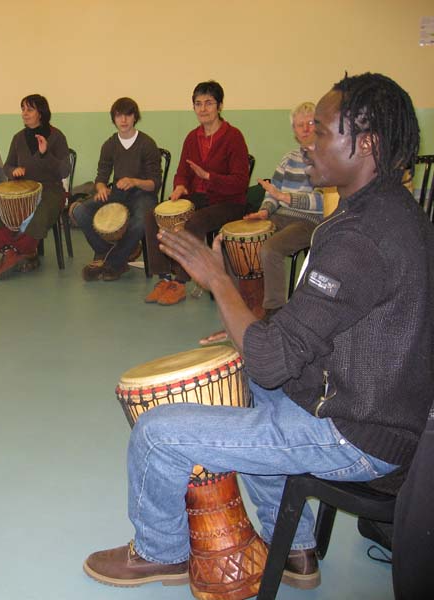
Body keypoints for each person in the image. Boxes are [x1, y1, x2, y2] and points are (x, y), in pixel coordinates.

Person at [84, 73, 433, 592]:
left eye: (320, 132)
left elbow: (271, 359)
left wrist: (218, 280)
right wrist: (252, 331)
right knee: (260, 381)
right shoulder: (389, 211)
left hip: (357, 435)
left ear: (366, 144)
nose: (308, 144)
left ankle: (161, 549)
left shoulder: (362, 236)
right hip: (374, 406)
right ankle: (294, 551)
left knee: (157, 432)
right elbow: (328, 319)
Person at [200, 102, 323, 344]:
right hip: (280, 215)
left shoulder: (326, 158)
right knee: (233, 244)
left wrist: (285, 197)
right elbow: (271, 192)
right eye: (300, 125)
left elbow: (322, 202)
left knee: (271, 248)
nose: (306, 128)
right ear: (294, 131)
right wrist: (265, 211)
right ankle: (241, 310)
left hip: (310, 221)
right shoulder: (289, 159)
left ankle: (274, 313)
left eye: (310, 123)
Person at [144, 81, 250, 305]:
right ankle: (163, 277)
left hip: (228, 201)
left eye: (209, 103)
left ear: (219, 106)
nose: (203, 109)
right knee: (151, 215)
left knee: (194, 223)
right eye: (198, 104)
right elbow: (182, 171)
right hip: (198, 198)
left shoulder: (233, 137)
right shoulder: (192, 137)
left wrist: (209, 177)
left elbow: (240, 182)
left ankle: (180, 282)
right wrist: (180, 186)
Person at [0, 94, 71, 279]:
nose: (24, 113)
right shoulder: (18, 138)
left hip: (49, 189)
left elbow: (64, 170)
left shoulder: (56, 136)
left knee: (41, 212)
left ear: (41, 113)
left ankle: (19, 250)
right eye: (23, 109)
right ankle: (12, 250)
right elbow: (7, 166)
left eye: (30, 109)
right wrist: (14, 171)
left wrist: (45, 154)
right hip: (20, 188)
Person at [73, 97, 161, 281]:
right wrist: (102, 187)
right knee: (80, 211)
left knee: (141, 221)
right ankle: (113, 255)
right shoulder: (110, 145)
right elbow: (101, 176)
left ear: (135, 117)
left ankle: (110, 262)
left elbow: (155, 183)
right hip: (118, 194)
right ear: (113, 119)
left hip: (143, 195)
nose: (123, 120)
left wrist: (135, 181)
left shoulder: (147, 144)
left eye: (128, 115)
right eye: (118, 115)